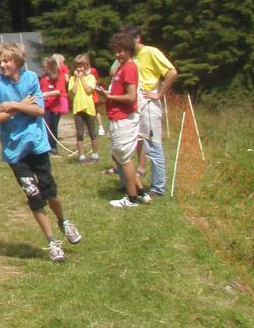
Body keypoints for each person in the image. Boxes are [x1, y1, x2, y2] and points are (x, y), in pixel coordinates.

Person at [0, 41, 82, 262]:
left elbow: (38, 109)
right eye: (0, 60)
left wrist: (13, 106)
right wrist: (17, 106)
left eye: (6, 60)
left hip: (36, 145)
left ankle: (63, 221)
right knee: (33, 195)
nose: (2, 64)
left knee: (49, 190)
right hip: (15, 152)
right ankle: (52, 242)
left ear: (17, 61)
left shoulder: (30, 79)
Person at [101, 32, 150, 208]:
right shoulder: (121, 67)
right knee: (119, 155)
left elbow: (130, 97)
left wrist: (110, 96)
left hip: (124, 118)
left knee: (125, 158)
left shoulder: (129, 68)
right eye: (115, 51)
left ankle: (131, 197)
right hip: (116, 117)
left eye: (121, 50)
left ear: (129, 50)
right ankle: (142, 193)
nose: (118, 54)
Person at [129, 26, 177, 198]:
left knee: (154, 145)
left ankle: (158, 187)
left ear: (137, 38)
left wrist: (159, 94)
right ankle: (133, 182)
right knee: (136, 143)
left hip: (149, 105)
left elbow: (171, 72)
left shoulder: (151, 52)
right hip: (135, 106)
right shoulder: (130, 57)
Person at [68, 54, 100, 163]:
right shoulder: (72, 79)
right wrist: (77, 79)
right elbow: (73, 91)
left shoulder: (90, 77)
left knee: (93, 132)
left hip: (89, 108)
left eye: (80, 66)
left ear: (86, 66)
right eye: (76, 66)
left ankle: (95, 154)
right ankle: (81, 155)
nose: (78, 68)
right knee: (80, 133)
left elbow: (88, 90)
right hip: (78, 109)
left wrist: (82, 78)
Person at [39, 56, 69, 151]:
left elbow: (59, 91)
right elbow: (39, 89)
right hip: (45, 107)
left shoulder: (59, 76)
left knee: (53, 126)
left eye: (45, 66)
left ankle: (53, 146)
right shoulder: (43, 78)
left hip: (55, 107)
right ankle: (46, 146)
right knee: (45, 126)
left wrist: (47, 94)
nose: (43, 68)